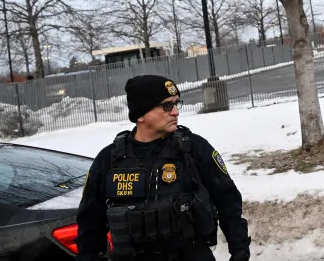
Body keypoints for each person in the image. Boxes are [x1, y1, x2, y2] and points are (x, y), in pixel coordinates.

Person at [75, 75, 251, 261]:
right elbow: (90, 222)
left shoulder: (194, 149)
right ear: (141, 114)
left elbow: (228, 202)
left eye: (176, 104)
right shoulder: (109, 160)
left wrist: (239, 250)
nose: (175, 112)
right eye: (167, 105)